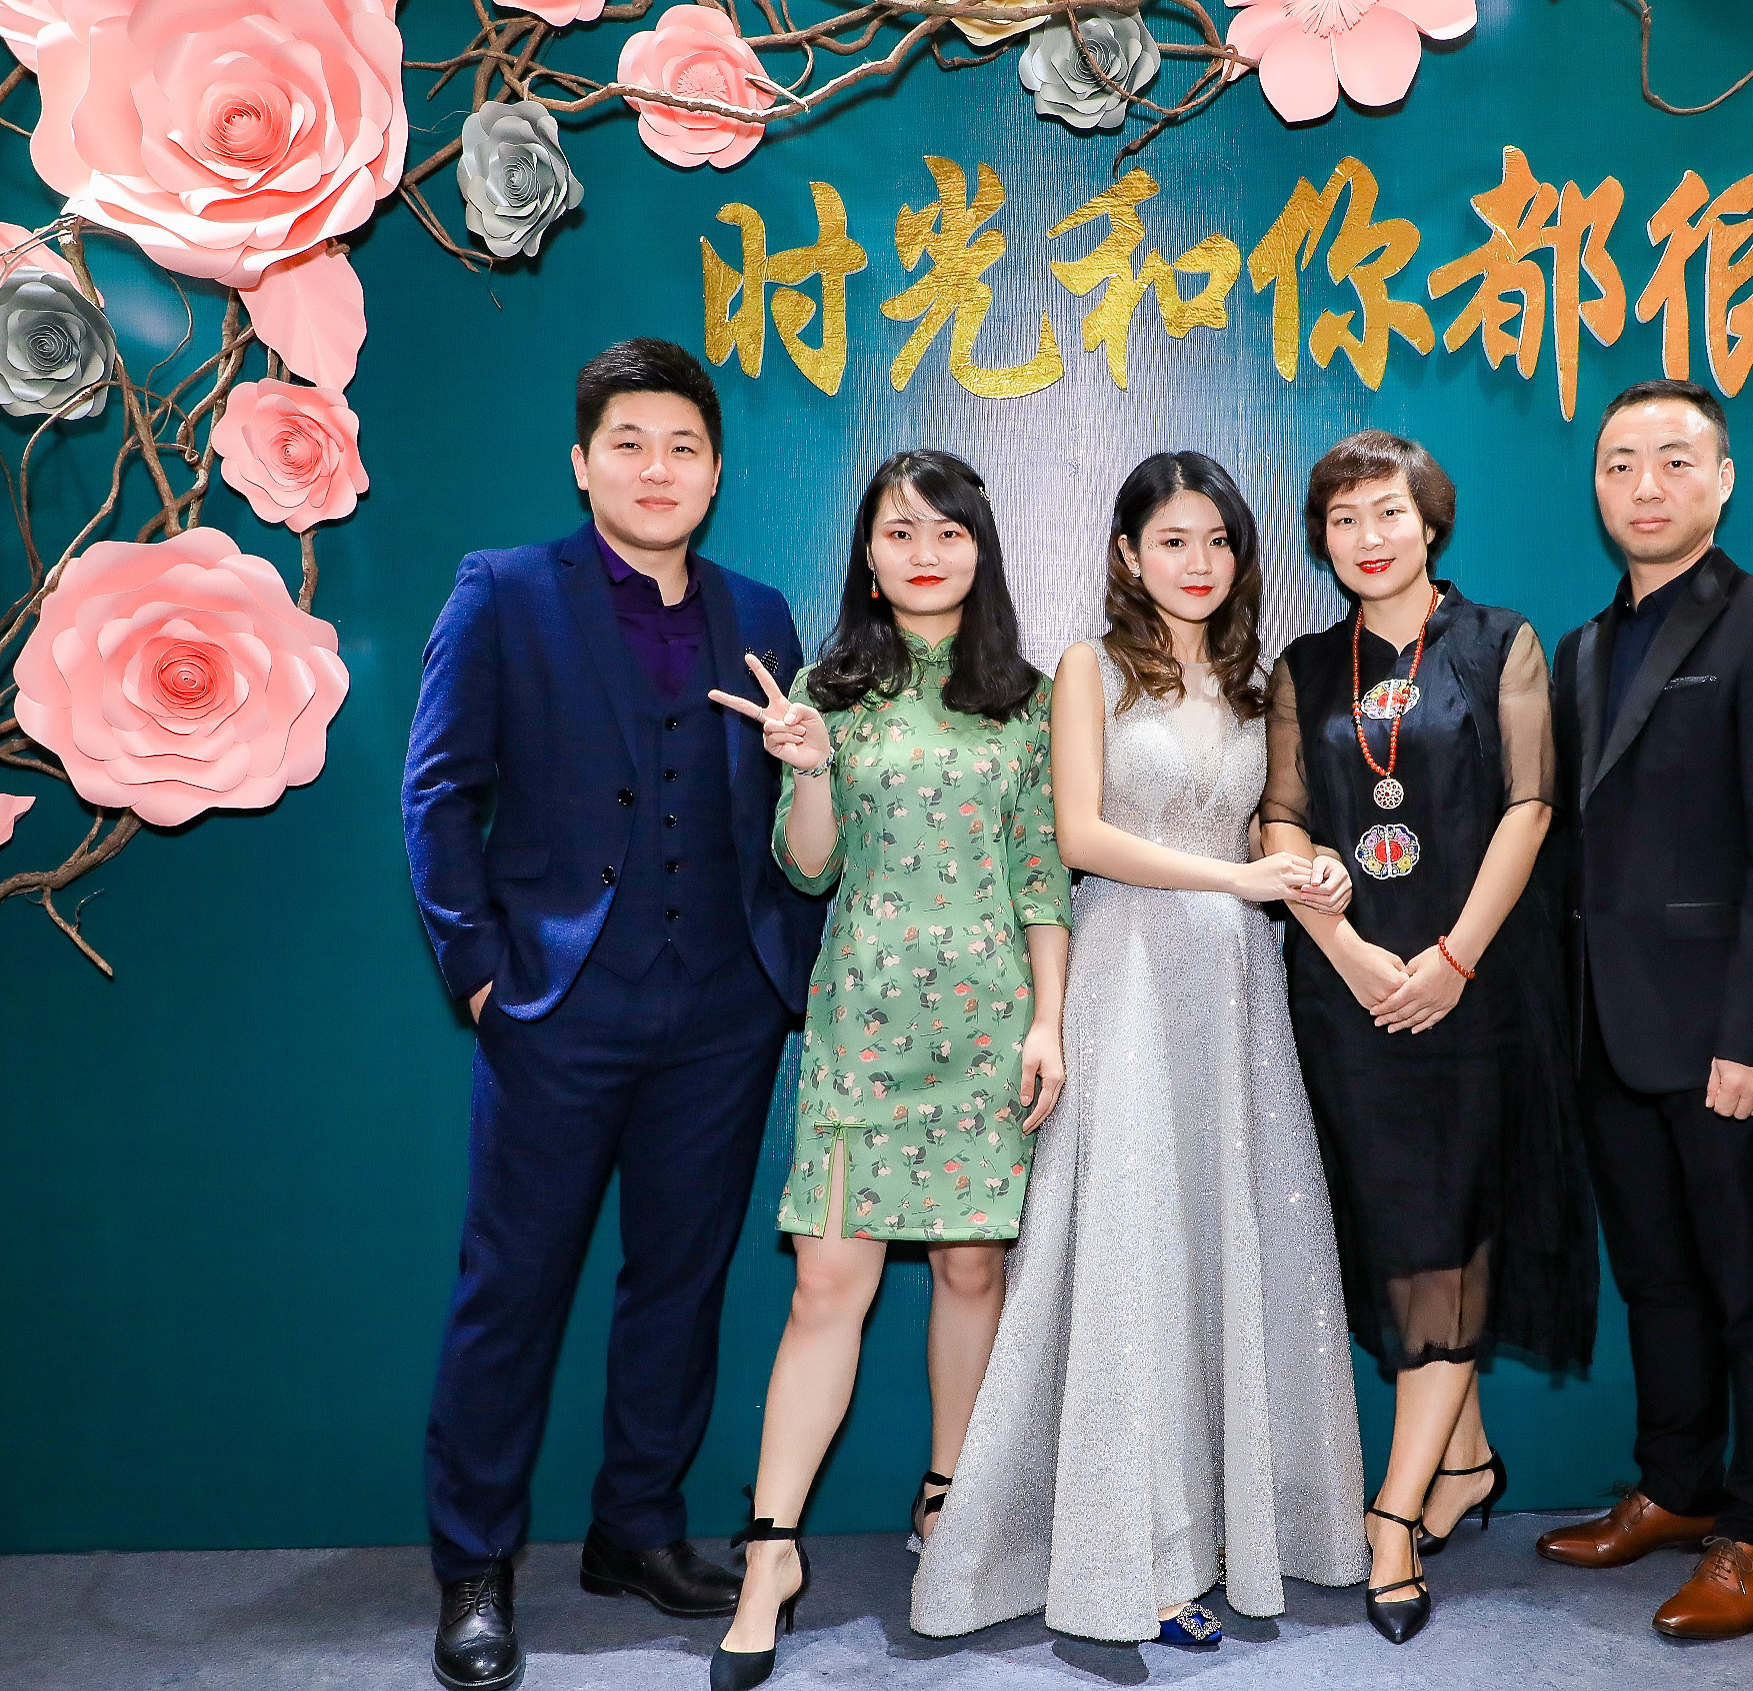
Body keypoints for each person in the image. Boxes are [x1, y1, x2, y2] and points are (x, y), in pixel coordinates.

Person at [402, 338, 825, 1691]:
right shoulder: (504, 590)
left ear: (715, 471)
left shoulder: (760, 610)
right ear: (582, 463)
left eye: (683, 447)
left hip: (723, 1009)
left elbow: (793, 805)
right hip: (555, 1002)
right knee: (512, 1285)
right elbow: (437, 790)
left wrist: (782, 965)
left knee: (680, 1281)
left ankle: (636, 1527)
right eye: (629, 444)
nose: (657, 469)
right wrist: (478, 967)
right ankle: (475, 1562)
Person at [909, 452, 1370, 1647]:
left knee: (1227, 1248)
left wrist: (1307, 867)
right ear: (1126, 552)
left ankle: (1229, 1531)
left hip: (1235, 992)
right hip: (1128, 980)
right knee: (1132, 1258)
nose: (1197, 562)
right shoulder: (1088, 667)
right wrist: (1237, 878)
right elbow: (1079, 834)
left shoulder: (1257, 679)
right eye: (1172, 539)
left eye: (1217, 540)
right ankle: (1135, 1553)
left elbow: (1273, 830)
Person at [702, 448, 1071, 1691]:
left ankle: (947, 1501)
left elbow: (1041, 875)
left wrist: (1049, 1021)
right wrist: (807, 763)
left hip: (990, 1022)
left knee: (973, 1266)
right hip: (863, 1017)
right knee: (827, 1283)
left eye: (946, 531)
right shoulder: (827, 689)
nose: (923, 552)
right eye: (898, 531)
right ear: (865, 554)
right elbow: (808, 867)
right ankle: (769, 1551)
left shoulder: (1027, 696)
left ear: (980, 550)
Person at [1261, 430, 1598, 1646]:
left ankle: (1393, 1514)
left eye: (1388, 512)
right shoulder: (1304, 665)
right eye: (1343, 517)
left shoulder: (1499, 641)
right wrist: (1348, 952)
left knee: (1451, 1230)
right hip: (1345, 994)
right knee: (1398, 1235)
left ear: (1429, 522)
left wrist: (1450, 959)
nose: (1367, 536)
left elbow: (1530, 804)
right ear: (1321, 537)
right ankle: (1463, 1459)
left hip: (1476, 988)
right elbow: (1280, 818)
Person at [1537, 379, 1753, 1642]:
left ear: (1720, 481)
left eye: (1672, 460)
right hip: (1605, 1028)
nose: (1643, 485)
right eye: (1619, 463)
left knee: (1750, 1282)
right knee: (1656, 1278)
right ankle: (1675, 1485)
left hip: (1722, 1033)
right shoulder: (1580, 647)